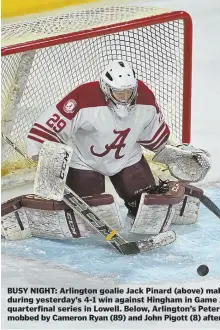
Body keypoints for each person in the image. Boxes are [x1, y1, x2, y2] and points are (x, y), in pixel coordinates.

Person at [1, 60, 208, 242]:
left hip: (128, 158)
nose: (125, 97)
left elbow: (153, 136)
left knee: (148, 207)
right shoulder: (83, 97)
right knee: (89, 216)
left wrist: (171, 153)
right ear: (106, 88)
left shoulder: (145, 99)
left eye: (129, 92)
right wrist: (44, 156)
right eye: (119, 92)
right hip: (85, 161)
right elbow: (48, 128)